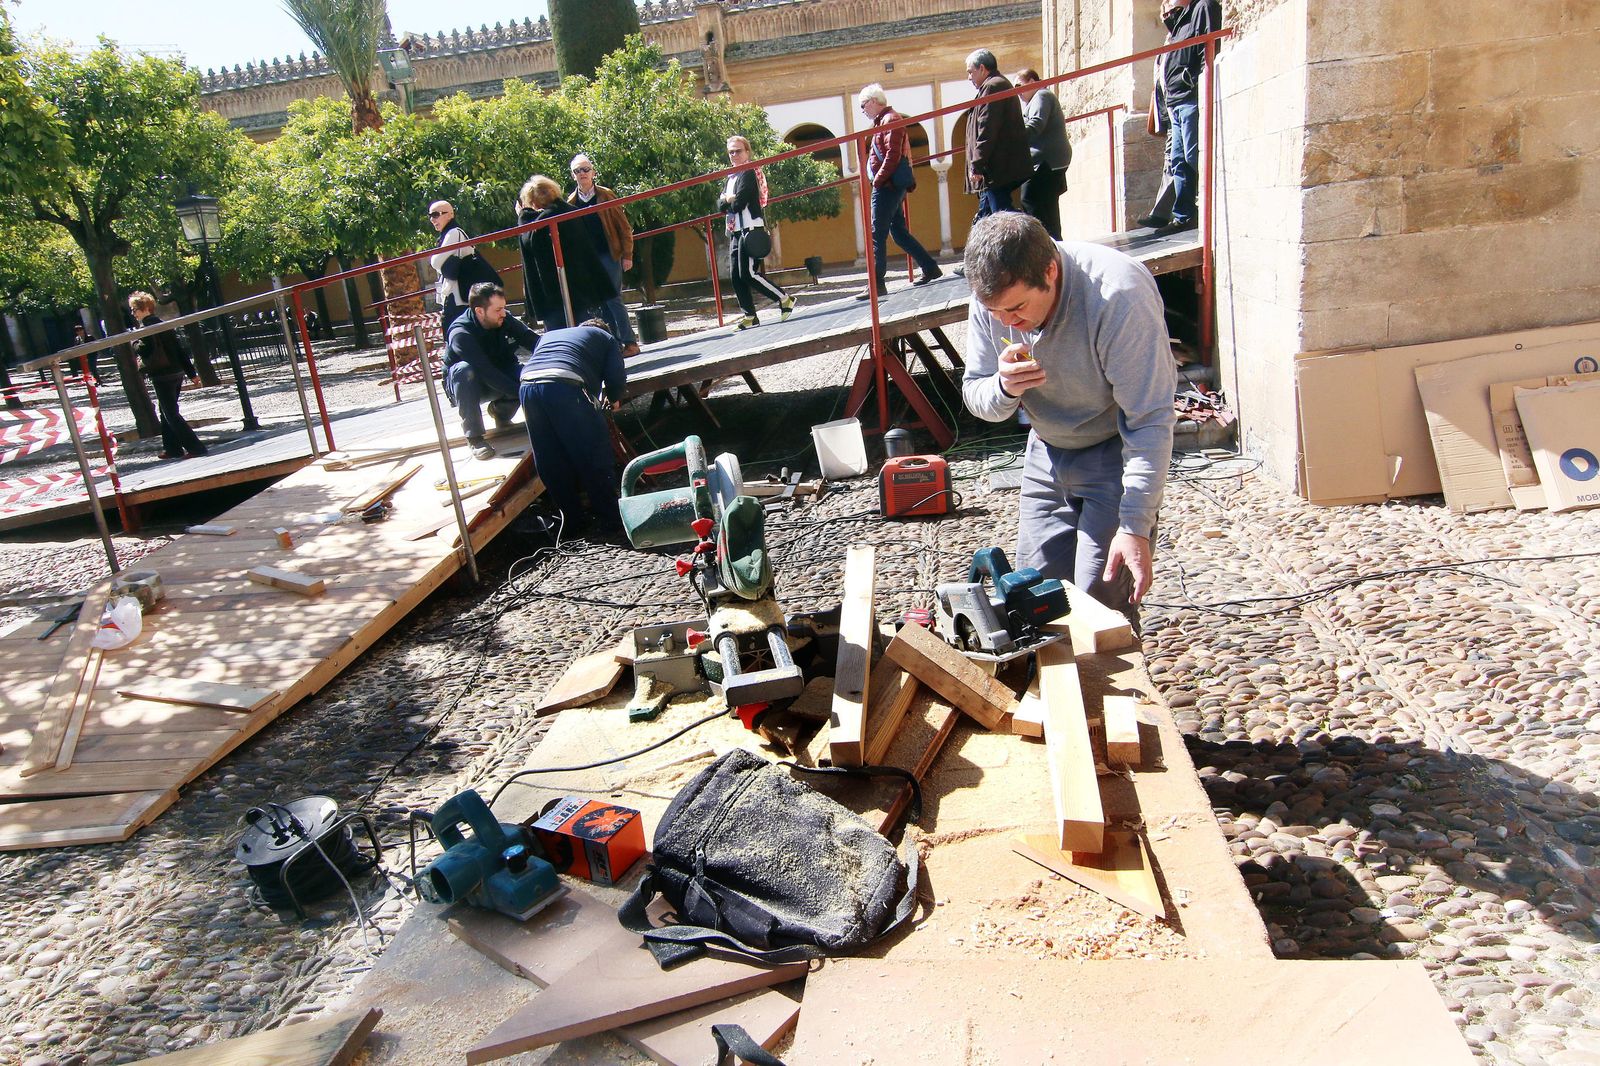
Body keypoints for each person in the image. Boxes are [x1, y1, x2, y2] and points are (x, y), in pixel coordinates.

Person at [960, 213, 1175, 626]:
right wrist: (1004, 387)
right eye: (995, 310)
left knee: (1101, 604)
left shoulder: (1118, 297)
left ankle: (1115, 688)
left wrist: (1135, 524)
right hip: (1046, 453)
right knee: (1035, 599)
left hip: (1113, 454)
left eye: (1017, 308)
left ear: (1051, 271)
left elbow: (1149, 419)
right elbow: (976, 395)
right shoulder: (993, 298)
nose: (1006, 322)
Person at [518, 318, 627, 535]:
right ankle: (610, 518)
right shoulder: (606, 337)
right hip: (565, 385)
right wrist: (614, 397)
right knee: (593, 452)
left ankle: (571, 520)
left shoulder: (549, 336)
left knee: (550, 455)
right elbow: (616, 375)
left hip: (527, 386)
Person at [856, 84, 942, 301]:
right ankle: (930, 267)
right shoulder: (886, 121)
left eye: (863, 105)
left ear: (874, 101)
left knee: (878, 234)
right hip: (891, 185)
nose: (863, 110)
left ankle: (876, 284)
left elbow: (893, 155)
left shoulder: (890, 120)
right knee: (898, 232)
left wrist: (877, 180)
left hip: (887, 186)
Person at [517, 175, 618, 334]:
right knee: (586, 330)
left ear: (533, 202)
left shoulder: (539, 224)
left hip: (554, 294)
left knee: (561, 335)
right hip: (581, 288)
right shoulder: (570, 213)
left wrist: (523, 216)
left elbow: (529, 241)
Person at [444, 283, 531, 460]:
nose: (503, 313)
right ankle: (474, 438)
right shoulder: (460, 333)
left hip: (500, 373)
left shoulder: (503, 318)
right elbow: (486, 372)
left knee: (528, 375)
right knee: (464, 371)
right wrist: (524, 393)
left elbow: (532, 340)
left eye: (504, 308)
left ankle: (500, 412)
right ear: (480, 311)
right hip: (471, 382)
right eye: (498, 309)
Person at [567, 154, 642, 358]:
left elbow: (623, 227)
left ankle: (630, 342)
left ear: (593, 172)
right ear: (573, 176)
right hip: (589, 260)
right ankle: (615, 344)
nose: (582, 174)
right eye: (577, 171)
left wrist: (627, 254)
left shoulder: (605, 195)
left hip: (610, 254)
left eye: (585, 169)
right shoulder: (571, 202)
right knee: (601, 302)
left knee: (613, 298)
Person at [718, 136, 794, 331]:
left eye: (738, 151)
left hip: (750, 227)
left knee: (748, 273)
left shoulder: (749, 172)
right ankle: (749, 315)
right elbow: (720, 205)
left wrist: (729, 200)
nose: (734, 155)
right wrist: (728, 199)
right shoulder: (731, 177)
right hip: (735, 230)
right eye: (731, 152)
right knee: (736, 275)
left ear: (747, 152)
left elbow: (739, 203)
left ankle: (784, 298)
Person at [1158, 0, 1222, 232]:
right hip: (1176, 101)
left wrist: (1196, 82)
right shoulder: (1181, 17)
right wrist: (1169, 19)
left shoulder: (1203, 6)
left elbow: (1210, 47)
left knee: (1194, 157)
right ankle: (1184, 216)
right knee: (1179, 161)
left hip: (1189, 98)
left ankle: (1205, 211)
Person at [128, 291, 207, 460]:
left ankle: (196, 447)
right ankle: (172, 448)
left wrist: (133, 342)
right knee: (166, 412)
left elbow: (144, 349)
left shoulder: (146, 328)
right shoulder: (163, 324)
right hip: (176, 373)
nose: (133, 313)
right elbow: (179, 350)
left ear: (145, 309)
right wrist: (191, 373)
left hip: (162, 375)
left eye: (135, 309)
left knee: (170, 413)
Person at [962, 49, 1031, 222]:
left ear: (982, 68)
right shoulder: (993, 85)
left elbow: (987, 128)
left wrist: (976, 164)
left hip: (997, 169)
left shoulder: (993, 87)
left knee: (1004, 221)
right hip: (994, 170)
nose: (969, 77)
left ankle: (1029, 243)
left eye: (971, 72)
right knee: (984, 221)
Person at [1137, 0, 1185, 228]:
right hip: (1169, 109)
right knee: (1173, 159)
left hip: (1181, 104)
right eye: (1164, 12)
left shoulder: (1182, 34)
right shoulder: (1169, 39)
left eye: (1171, 11)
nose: (1167, 16)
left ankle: (1171, 212)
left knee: (1179, 159)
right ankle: (1163, 212)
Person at [1013, 69, 1072, 240]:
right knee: (1047, 209)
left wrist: (1011, 138)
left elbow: (1036, 124)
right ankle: (1054, 248)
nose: (1017, 92)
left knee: (1031, 202)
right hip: (1048, 160)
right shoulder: (1037, 99)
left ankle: (1047, 249)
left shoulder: (1041, 95)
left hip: (1046, 161)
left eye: (1019, 85)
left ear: (1032, 82)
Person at [428, 200, 474, 330]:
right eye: (430, 215)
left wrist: (436, 261)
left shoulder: (454, 232)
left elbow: (435, 262)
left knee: (453, 330)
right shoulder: (446, 234)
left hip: (458, 294)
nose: (432, 219)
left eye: (436, 214)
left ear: (450, 215)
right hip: (455, 293)